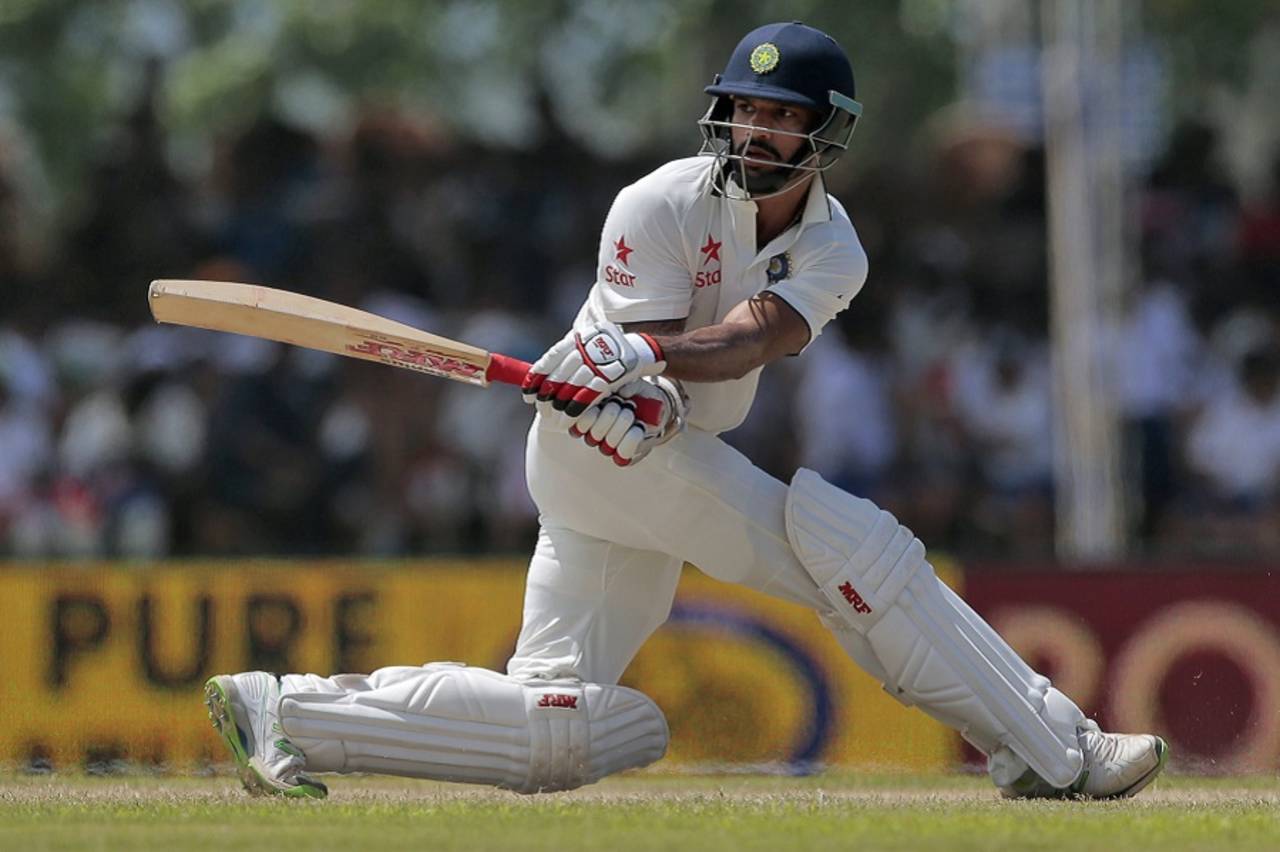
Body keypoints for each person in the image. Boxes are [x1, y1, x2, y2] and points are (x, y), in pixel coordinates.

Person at [204, 21, 1167, 800]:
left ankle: (289, 714)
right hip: (598, 447)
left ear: (824, 132)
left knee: (567, 725)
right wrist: (638, 384)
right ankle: (1059, 750)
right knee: (854, 548)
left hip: (653, 446)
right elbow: (640, 378)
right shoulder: (658, 202)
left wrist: (651, 368)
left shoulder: (837, 248)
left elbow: (752, 337)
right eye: (742, 108)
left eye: (777, 115)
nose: (752, 131)